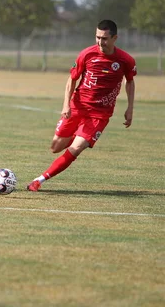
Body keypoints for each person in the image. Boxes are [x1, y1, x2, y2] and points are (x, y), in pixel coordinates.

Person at [27, 19, 136, 192]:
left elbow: (129, 82)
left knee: (76, 148)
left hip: (99, 115)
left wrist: (130, 108)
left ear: (115, 38)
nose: (100, 42)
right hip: (77, 107)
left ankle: (39, 180)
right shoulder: (86, 54)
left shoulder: (125, 60)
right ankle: (79, 135)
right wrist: (66, 105)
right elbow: (72, 79)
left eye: (105, 38)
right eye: (97, 37)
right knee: (55, 147)